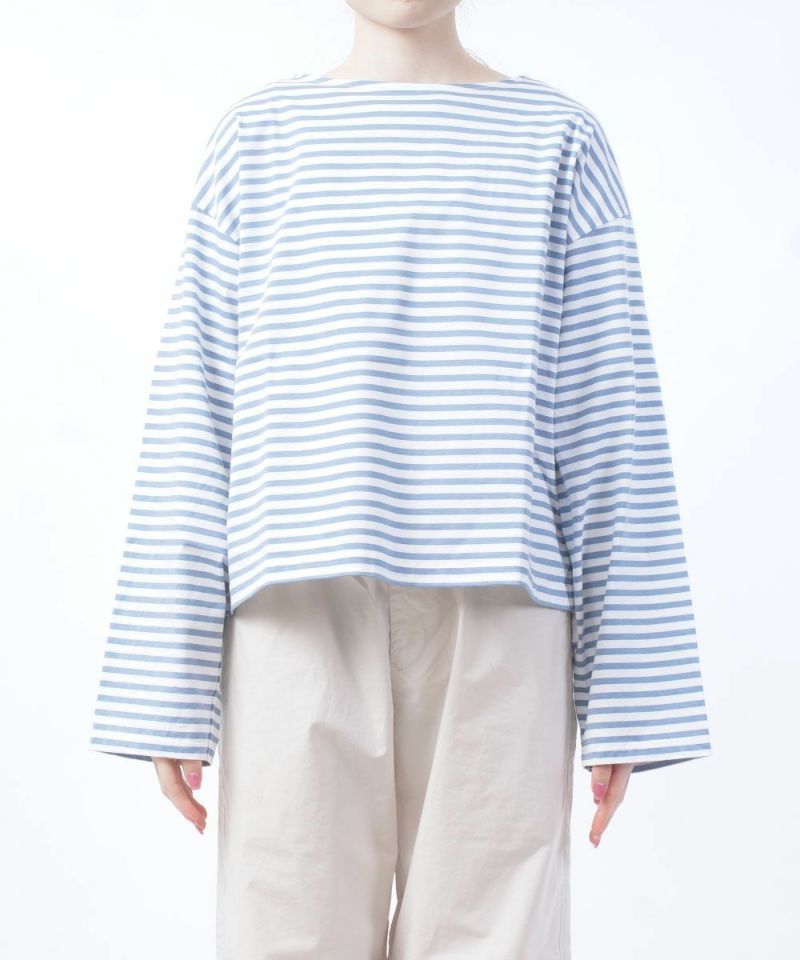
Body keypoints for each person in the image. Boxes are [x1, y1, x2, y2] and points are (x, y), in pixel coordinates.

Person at [88, 1, 713, 956]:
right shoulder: (259, 138)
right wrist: (163, 683)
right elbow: (197, 409)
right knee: (285, 931)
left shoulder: (559, 140)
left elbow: (607, 414)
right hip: (294, 610)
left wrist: (629, 694)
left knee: (494, 936)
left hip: (500, 614)